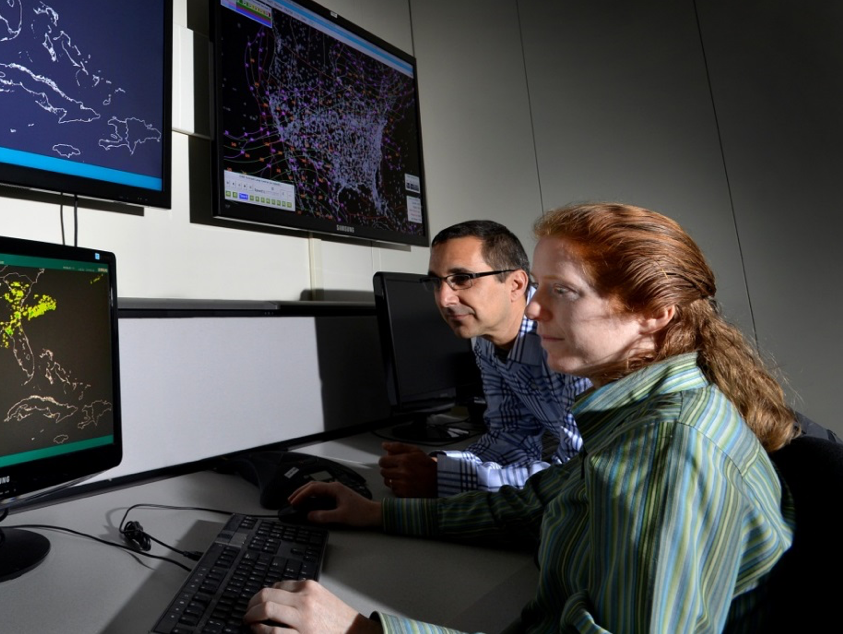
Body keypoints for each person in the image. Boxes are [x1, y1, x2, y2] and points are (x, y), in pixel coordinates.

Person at [248, 202, 795, 634]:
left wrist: (361, 632)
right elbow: (539, 502)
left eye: (560, 291)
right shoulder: (634, 410)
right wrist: (378, 516)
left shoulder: (666, 449)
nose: (533, 308)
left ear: (653, 315)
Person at [380, 220, 589, 498]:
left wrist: (443, 479)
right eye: (435, 282)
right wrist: (438, 465)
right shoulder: (486, 346)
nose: (443, 299)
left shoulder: (569, 344)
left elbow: (578, 475)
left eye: (462, 279)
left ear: (515, 284)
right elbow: (511, 439)